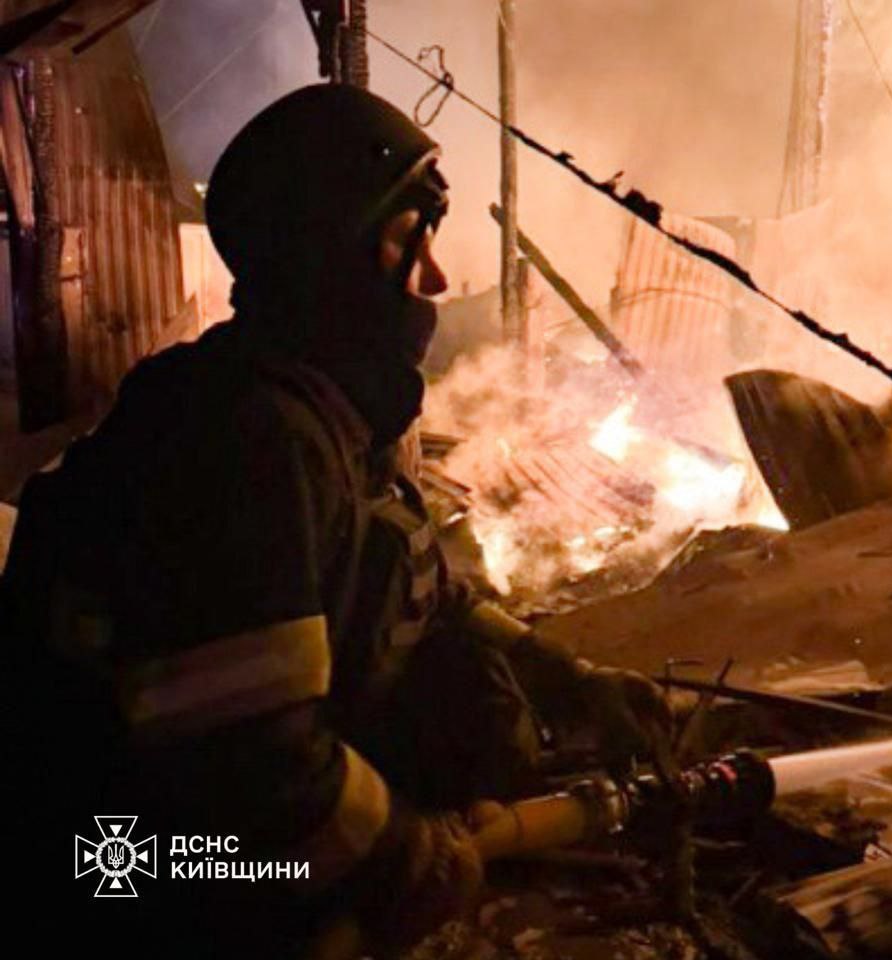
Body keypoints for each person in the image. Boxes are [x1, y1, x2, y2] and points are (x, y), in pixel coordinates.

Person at [0, 84, 670, 959]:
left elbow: (422, 589)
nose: (436, 281)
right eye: (411, 240)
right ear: (331, 253)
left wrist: (565, 676)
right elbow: (253, 760)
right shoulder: (244, 440)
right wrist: (403, 855)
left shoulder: (320, 410)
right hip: (124, 866)